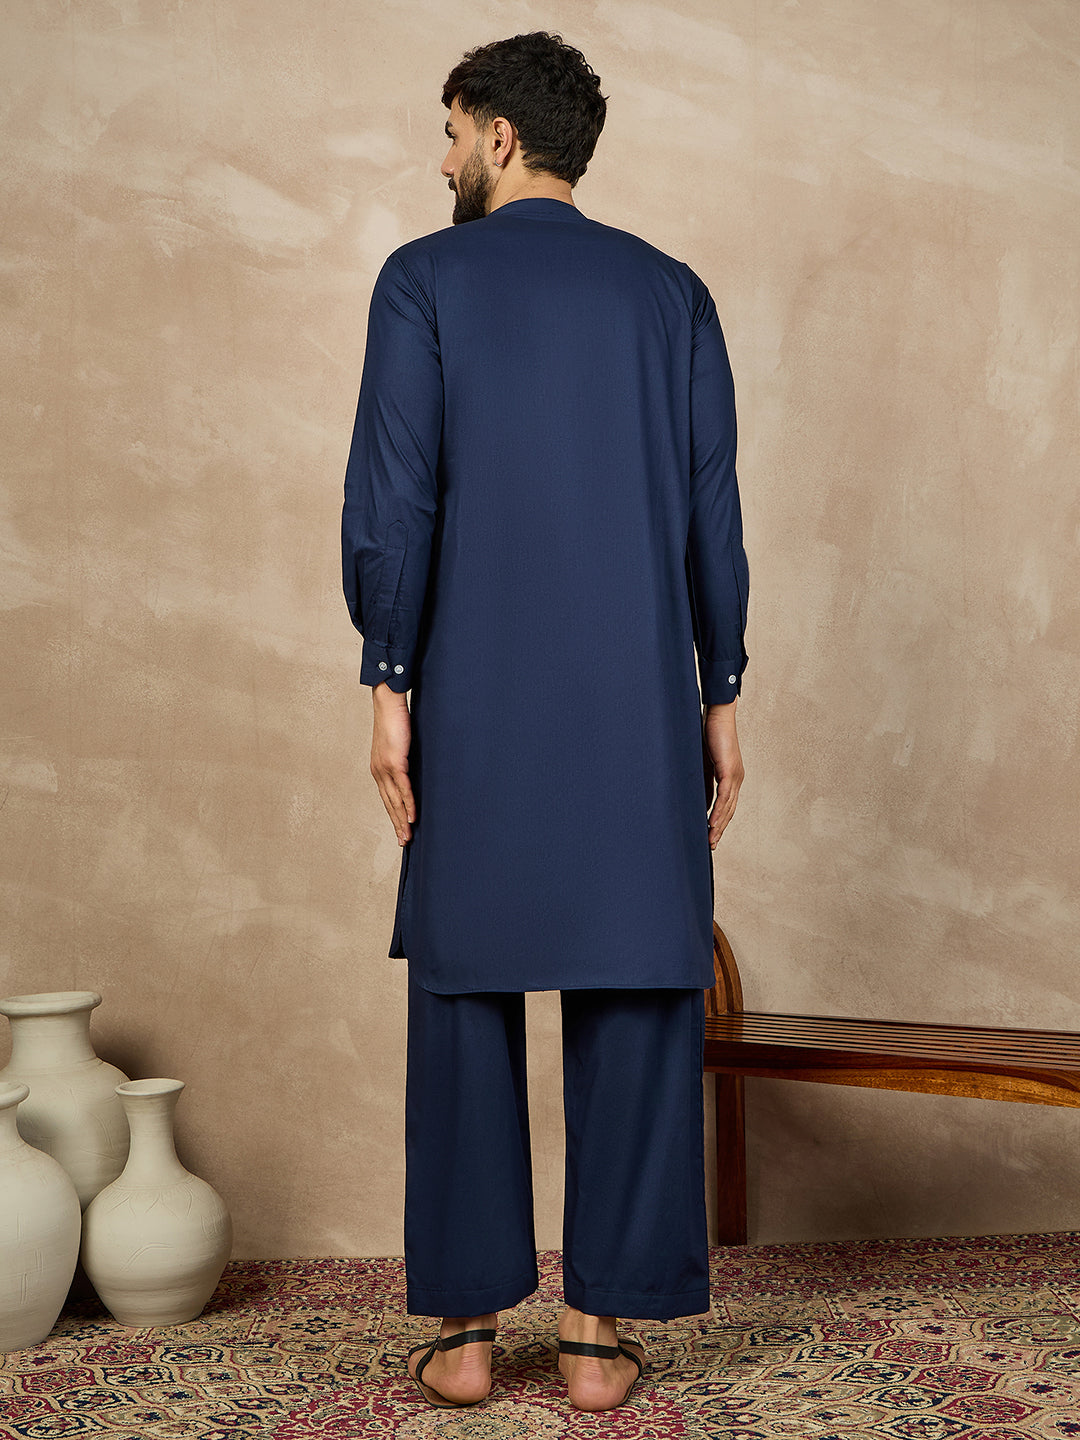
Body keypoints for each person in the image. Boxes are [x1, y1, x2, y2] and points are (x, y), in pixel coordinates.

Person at [341, 30, 749, 1414]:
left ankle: (463, 1338)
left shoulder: (423, 280)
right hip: (639, 698)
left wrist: (388, 685)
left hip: (475, 692)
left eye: (451, 131)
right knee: (636, 977)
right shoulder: (672, 293)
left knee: (462, 982)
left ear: (501, 136)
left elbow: (396, 504)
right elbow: (711, 516)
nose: (442, 159)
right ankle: (593, 1341)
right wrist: (723, 692)